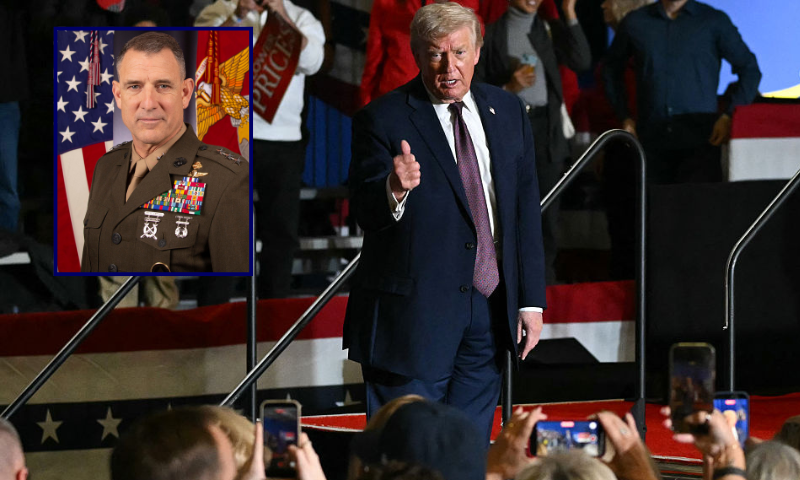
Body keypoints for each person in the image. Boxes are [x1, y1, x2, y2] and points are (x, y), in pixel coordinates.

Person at [344, 2, 547, 442]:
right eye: (436, 53)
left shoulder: (509, 111)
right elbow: (363, 208)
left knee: (466, 453)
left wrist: (530, 300)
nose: (448, 66)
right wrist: (393, 189)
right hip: (411, 323)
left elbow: (524, 211)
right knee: (405, 456)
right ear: (417, 55)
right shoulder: (382, 119)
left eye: (458, 52)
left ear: (477, 51)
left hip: (489, 316)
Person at [82, 32, 249, 273]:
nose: (148, 103)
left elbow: (232, 295)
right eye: (134, 86)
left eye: (163, 86)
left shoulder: (227, 179)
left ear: (185, 93)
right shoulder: (106, 167)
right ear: (118, 95)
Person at [195, 0, 325, 298]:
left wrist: (279, 14)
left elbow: (313, 61)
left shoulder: (301, 17)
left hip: (283, 140)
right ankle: (214, 313)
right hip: (226, 135)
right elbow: (202, 53)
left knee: (280, 232)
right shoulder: (219, 10)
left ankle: (273, 312)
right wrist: (238, 17)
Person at [477, 0, 591, 283]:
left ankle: (545, 288)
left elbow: (582, 61)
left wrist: (569, 13)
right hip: (508, 129)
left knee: (547, 217)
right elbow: (474, 88)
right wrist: (508, 88)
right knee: (508, 215)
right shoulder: (491, 34)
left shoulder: (549, 29)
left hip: (546, 131)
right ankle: (509, 287)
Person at [603, 0, 761, 185]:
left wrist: (729, 116)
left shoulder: (713, 20)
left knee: (697, 210)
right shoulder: (636, 22)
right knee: (654, 211)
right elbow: (611, 71)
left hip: (701, 141)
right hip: (651, 141)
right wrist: (624, 116)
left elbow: (750, 70)